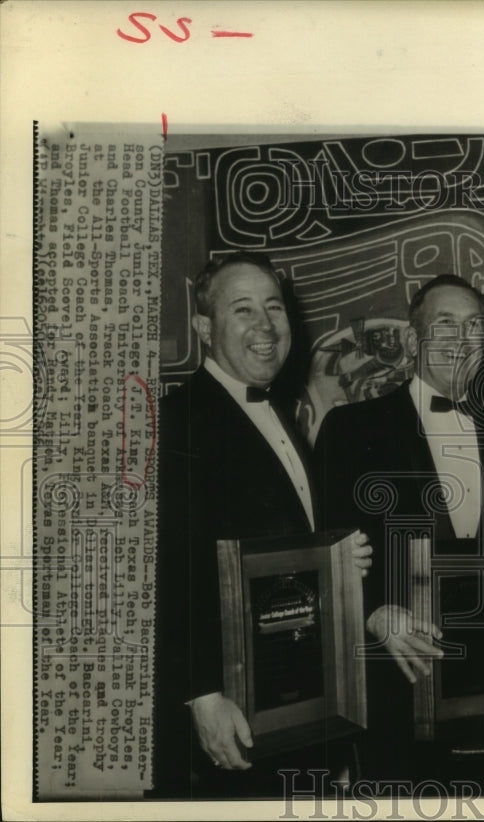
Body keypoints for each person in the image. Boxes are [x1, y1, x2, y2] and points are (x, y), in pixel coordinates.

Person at [312, 273, 484, 779]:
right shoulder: (352, 429)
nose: (464, 341)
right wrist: (375, 613)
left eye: (475, 328)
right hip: (398, 686)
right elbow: (327, 553)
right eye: (447, 326)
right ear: (412, 340)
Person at [154, 251, 372, 798]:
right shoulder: (178, 422)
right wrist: (201, 695)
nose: (266, 326)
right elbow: (165, 571)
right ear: (205, 327)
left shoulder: (278, 413)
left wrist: (335, 559)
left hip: (290, 699)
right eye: (243, 310)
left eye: (274, 307)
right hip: (227, 714)